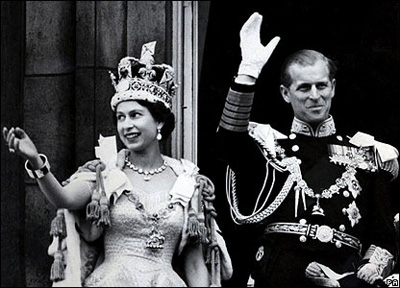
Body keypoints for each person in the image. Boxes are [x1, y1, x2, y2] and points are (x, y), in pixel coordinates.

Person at [3, 41, 232, 287]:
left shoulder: (186, 180)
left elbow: (195, 262)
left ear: (159, 123)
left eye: (135, 115)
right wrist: (36, 161)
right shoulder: (106, 173)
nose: (126, 125)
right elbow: (63, 198)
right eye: (121, 117)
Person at [216, 12, 398, 287]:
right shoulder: (270, 149)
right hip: (278, 276)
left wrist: (371, 267)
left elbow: (384, 238)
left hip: (344, 279)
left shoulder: (367, 156)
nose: (315, 95)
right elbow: (227, 144)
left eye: (321, 85)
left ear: (333, 88)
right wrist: (247, 73)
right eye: (303, 88)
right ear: (285, 93)